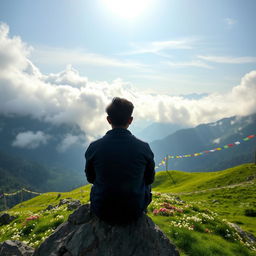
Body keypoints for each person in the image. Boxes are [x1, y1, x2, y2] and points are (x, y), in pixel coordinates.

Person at [84, 97, 155, 225]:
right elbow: (150, 179)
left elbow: (91, 179)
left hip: (102, 210)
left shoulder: (94, 147)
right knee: (145, 182)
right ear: (130, 120)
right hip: (134, 211)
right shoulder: (143, 147)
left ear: (108, 120)